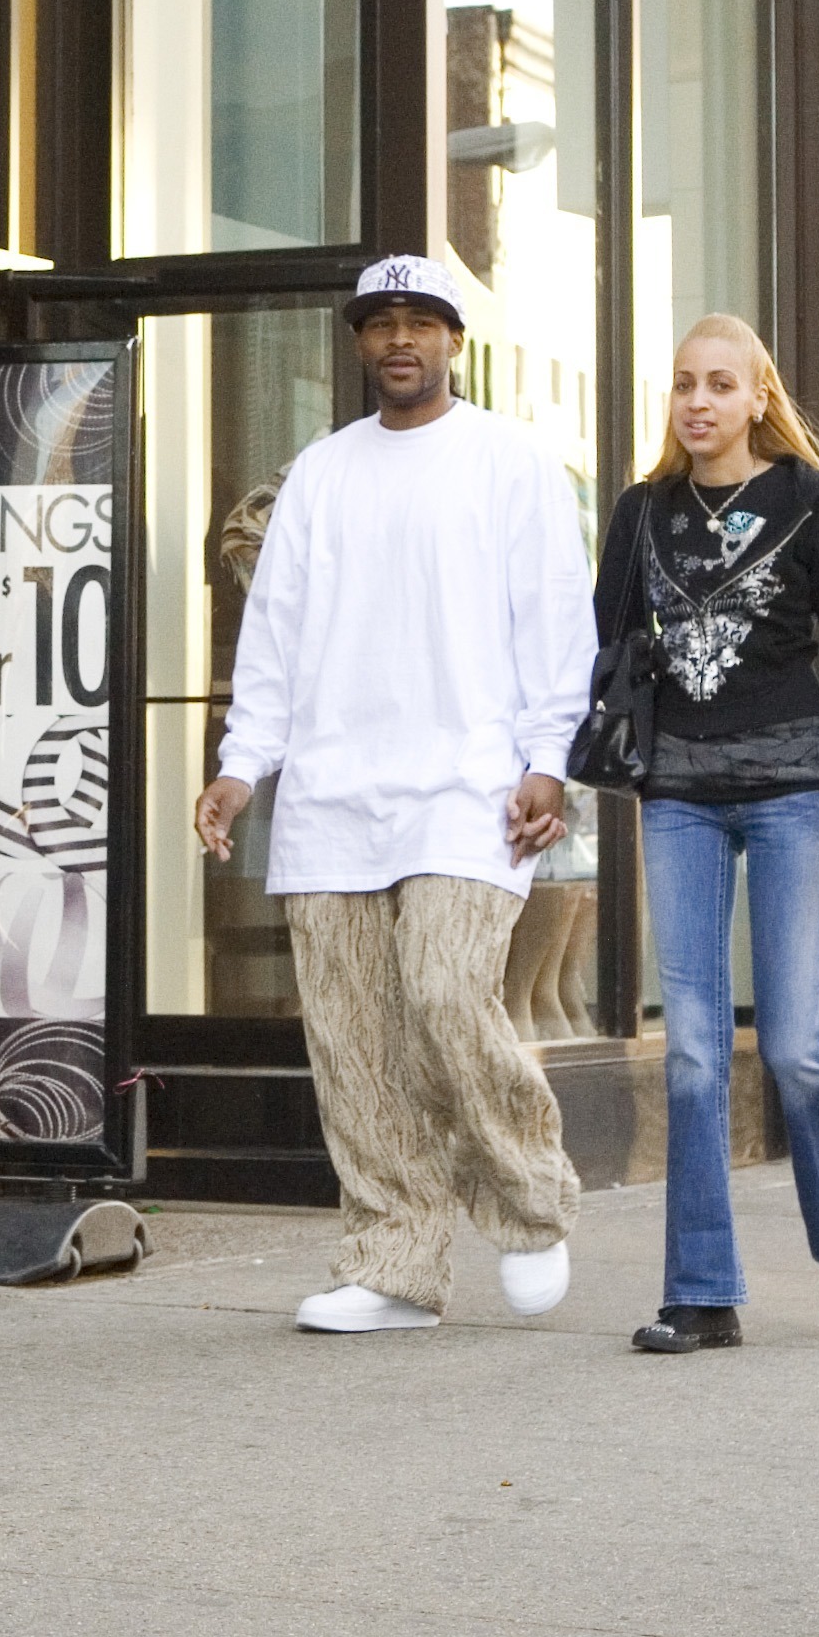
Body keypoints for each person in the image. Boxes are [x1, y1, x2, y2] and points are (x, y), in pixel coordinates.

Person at [195, 255, 597, 1337]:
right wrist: (243, 768)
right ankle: (394, 1263)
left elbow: (557, 623)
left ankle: (530, 1200)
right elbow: (271, 638)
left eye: (422, 322)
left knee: (445, 991)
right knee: (354, 1038)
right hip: (331, 793)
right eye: (382, 324)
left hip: (468, 788)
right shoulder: (320, 475)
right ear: (360, 342)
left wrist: (545, 757)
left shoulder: (513, 463)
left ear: (455, 342)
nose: (401, 339)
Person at [594, 313, 819, 1353]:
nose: (699, 400)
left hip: (795, 788)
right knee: (694, 1054)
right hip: (677, 794)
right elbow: (613, 643)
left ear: (759, 396)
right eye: (684, 383)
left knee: (798, 1046)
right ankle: (702, 1290)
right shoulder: (642, 513)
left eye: (721, 382)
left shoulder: (813, 505)